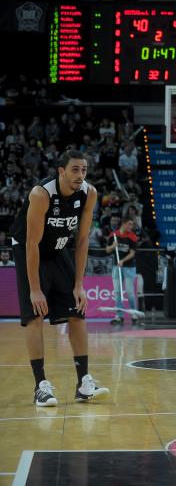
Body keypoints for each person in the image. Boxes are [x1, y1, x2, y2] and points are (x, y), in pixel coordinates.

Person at [11, 150, 109, 406]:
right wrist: (35, 289)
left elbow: (83, 239)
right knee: (35, 314)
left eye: (84, 170)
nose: (80, 175)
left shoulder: (89, 193)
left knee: (78, 310)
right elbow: (32, 244)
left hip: (58, 248)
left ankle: (84, 383)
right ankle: (41, 386)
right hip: (29, 249)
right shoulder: (41, 194)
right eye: (75, 169)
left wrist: (79, 284)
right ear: (61, 171)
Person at [105, 216, 139, 324]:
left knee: (129, 292)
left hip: (129, 268)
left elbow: (132, 253)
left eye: (132, 224)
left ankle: (134, 313)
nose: (131, 226)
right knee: (118, 292)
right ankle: (119, 316)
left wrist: (123, 261)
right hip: (116, 268)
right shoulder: (113, 235)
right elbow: (107, 250)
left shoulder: (133, 237)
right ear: (123, 224)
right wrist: (113, 246)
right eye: (129, 224)